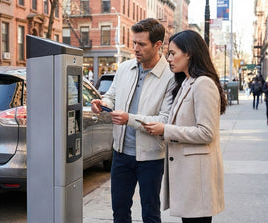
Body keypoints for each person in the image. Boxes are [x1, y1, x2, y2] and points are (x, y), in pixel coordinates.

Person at [91, 18, 175, 223]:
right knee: (119, 211)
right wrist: (102, 102)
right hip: (121, 154)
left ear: (158, 45)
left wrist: (130, 119)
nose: (135, 48)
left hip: (151, 157)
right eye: (134, 42)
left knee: (150, 213)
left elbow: (164, 119)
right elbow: (112, 96)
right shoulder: (125, 68)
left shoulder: (171, 77)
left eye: (141, 44)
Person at [143, 30, 226, 223]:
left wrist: (166, 130)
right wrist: (161, 127)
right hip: (189, 178)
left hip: (198, 179)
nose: (169, 58)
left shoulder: (203, 84)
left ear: (188, 53)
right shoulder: (185, 82)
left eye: (173, 53)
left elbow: (206, 132)